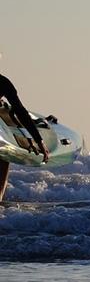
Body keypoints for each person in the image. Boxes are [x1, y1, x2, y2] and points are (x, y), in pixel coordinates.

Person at [0, 72, 50, 202]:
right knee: (4, 154)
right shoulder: (2, 82)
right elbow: (20, 112)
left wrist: (39, 140)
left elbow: (20, 112)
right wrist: (39, 141)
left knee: (4, 151)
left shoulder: (3, 83)